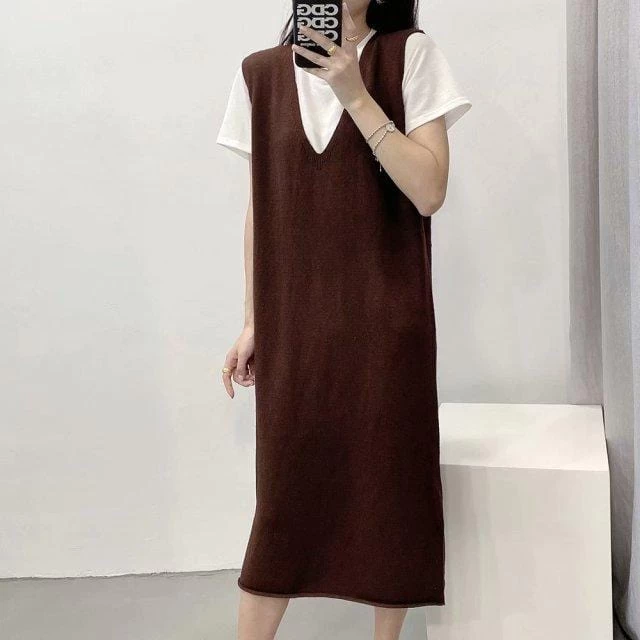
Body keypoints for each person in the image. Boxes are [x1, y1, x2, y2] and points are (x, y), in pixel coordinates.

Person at [216, 1, 471, 638]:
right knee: (283, 503)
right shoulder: (259, 75)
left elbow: (429, 191)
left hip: (385, 326)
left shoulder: (408, 55)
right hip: (295, 329)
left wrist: (355, 93)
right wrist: (253, 321)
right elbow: (261, 208)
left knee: (389, 491)